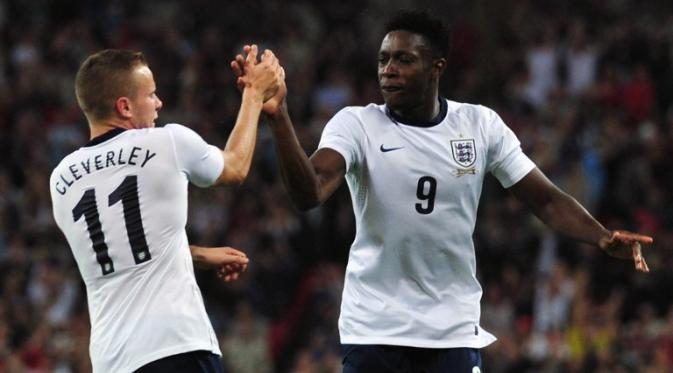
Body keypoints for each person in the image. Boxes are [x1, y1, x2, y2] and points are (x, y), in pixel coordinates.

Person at [231, 10, 653, 373]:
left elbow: (543, 198)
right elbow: (309, 192)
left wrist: (601, 235)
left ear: (437, 67)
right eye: (383, 59)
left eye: (403, 59)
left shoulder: (480, 126)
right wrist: (280, 116)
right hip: (374, 327)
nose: (388, 70)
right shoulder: (356, 124)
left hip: (451, 329)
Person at [49, 46, 284, 373]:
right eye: (152, 94)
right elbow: (235, 167)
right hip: (176, 346)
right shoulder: (166, 142)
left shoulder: (61, 179)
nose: (159, 103)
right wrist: (254, 94)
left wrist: (196, 254)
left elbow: (124, 251)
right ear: (125, 106)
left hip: (111, 360)